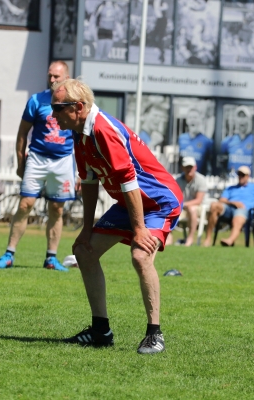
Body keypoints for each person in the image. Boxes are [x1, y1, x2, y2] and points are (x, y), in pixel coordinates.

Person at [51, 78, 183, 354]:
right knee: (84, 251)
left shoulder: (102, 129)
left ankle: (155, 334)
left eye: (58, 108)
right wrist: (87, 228)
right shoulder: (78, 132)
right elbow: (89, 181)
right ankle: (100, 331)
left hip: (159, 202)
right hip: (129, 201)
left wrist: (139, 229)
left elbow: (129, 180)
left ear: (78, 107)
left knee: (140, 255)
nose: (53, 114)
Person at [0, 61, 75, 271]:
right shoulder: (36, 100)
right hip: (37, 158)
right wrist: (21, 162)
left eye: (56, 76)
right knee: (25, 204)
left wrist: (81, 172)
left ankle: (51, 258)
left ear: (66, 77)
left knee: (56, 208)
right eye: (50, 75)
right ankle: (9, 254)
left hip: (63, 161)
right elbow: (22, 133)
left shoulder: (75, 102)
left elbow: (82, 137)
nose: (52, 79)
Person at [202, 166, 254, 247]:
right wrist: (233, 203)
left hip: (245, 210)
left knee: (239, 215)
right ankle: (208, 239)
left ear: (248, 176)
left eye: (243, 175)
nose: (240, 176)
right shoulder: (230, 188)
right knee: (214, 205)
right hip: (229, 209)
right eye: (239, 174)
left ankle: (230, 240)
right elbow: (222, 200)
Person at [175, 156, 207, 247]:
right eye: (187, 167)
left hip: (198, 208)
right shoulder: (178, 180)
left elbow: (198, 200)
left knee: (192, 208)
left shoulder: (201, 179)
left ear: (195, 167)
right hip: (182, 208)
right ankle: (168, 237)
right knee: (168, 209)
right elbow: (177, 197)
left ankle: (190, 238)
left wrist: (184, 204)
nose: (189, 169)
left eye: (191, 167)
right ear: (182, 168)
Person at [178, 108, 213, 175]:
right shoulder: (181, 138)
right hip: (183, 178)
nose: (192, 120)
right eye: (190, 117)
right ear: (187, 120)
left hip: (199, 178)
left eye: (195, 117)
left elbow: (211, 164)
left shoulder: (207, 141)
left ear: (200, 120)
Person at [220, 106, 254, 173]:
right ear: (236, 120)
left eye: (244, 117)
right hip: (232, 178)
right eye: (239, 117)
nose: (242, 120)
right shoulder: (229, 140)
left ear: (249, 120)